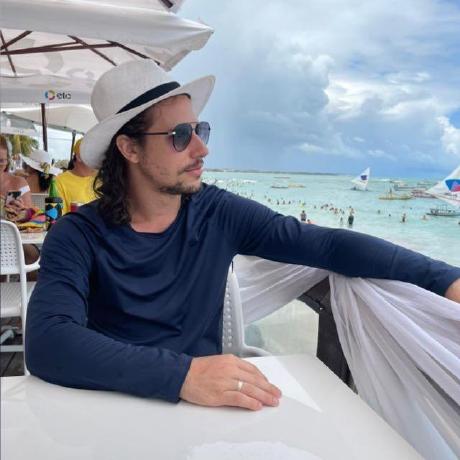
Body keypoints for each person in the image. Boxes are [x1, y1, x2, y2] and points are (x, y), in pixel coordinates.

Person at [26, 60, 460, 412]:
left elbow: (328, 245)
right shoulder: (77, 235)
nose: (202, 149)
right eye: (181, 136)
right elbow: (48, 342)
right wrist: (183, 375)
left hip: (203, 411)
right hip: (106, 407)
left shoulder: (218, 213)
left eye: (200, 130)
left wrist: (444, 278)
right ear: (129, 149)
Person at [55, 138, 97, 214]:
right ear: (79, 157)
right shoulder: (59, 181)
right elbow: (56, 216)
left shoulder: (101, 181)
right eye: (92, 155)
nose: (97, 160)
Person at [0, 135, 32, 208]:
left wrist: (23, 211)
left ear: (7, 161)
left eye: (1, 160)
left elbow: (31, 212)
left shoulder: (18, 183)